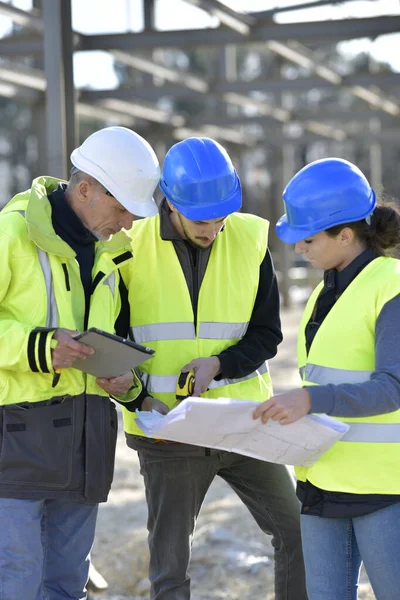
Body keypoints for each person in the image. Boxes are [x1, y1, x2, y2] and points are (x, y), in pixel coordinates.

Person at [121, 137, 307, 600]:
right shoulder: (128, 245)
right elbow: (112, 338)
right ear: (171, 204)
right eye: (202, 220)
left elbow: (267, 335)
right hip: (166, 428)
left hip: (243, 423)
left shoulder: (248, 240)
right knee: (170, 566)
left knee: (300, 532)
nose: (213, 229)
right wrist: (137, 397)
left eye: (221, 218)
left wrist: (220, 363)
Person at [0, 126, 160, 600]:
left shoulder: (111, 254)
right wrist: (37, 347)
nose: (129, 221)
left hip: (85, 446)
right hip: (17, 446)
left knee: (69, 584)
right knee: (18, 579)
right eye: (122, 207)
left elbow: (112, 340)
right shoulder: (11, 233)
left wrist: (125, 382)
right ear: (86, 189)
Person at [253, 157, 400, 600]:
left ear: (346, 235)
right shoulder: (323, 291)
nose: (299, 247)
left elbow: (393, 387)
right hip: (321, 481)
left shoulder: (390, 286)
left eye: (308, 238)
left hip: (382, 490)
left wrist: (313, 400)